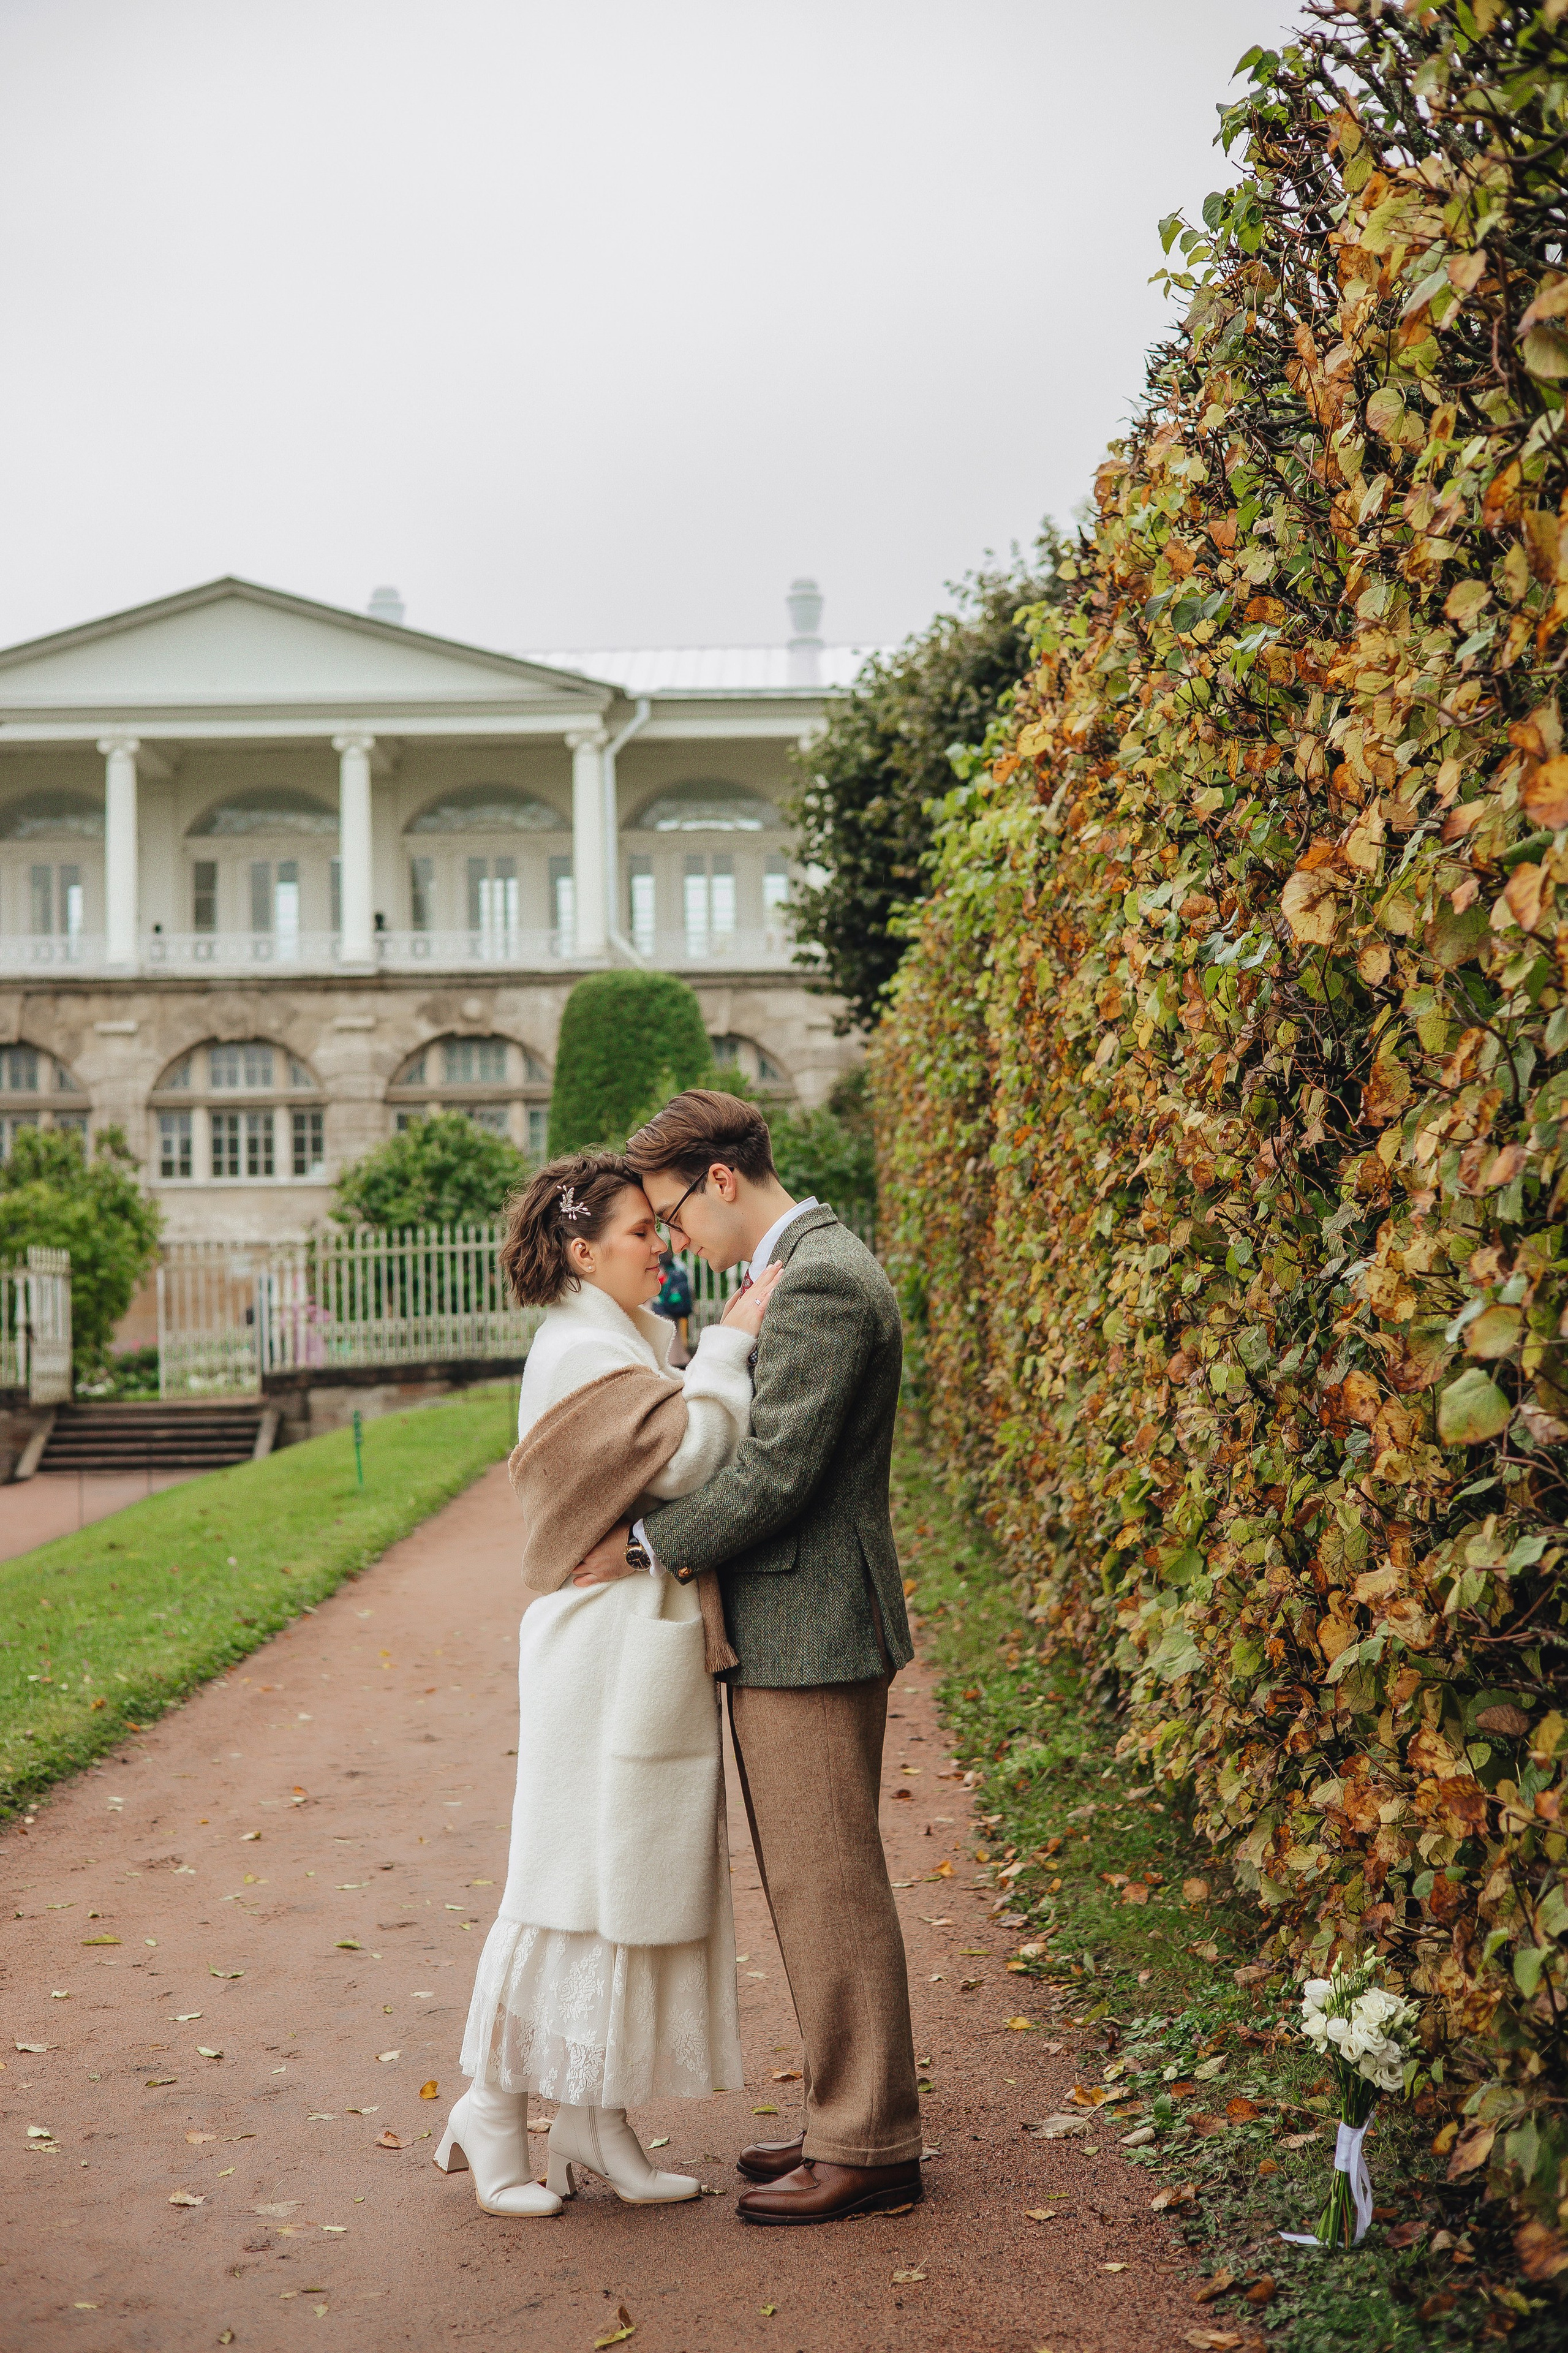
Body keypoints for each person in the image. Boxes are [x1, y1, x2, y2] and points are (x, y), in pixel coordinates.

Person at [571, 1089, 922, 2226]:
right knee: (811, 1882)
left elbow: (777, 1471)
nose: (672, 1237)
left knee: (831, 1884)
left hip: (812, 1622)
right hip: (795, 1617)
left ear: (720, 1179)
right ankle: (842, 2120)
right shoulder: (799, 1269)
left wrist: (642, 1545)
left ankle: (871, 2144)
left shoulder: (821, 1279)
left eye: (673, 1213)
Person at [435, 1147, 780, 2219]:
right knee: (565, 1886)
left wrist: (693, 1351)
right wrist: (729, 1346)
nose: (662, 1246)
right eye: (640, 1232)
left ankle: (593, 2115)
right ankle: (493, 2108)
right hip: (597, 1652)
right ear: (583, 1252)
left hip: (632, 1641)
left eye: (659, 1229)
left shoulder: (619, 1336)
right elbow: (688, 1458)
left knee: (621, 1884)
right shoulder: (583, 1346)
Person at [654, 1248, 693, 1355]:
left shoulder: (662, 1269)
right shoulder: (678, 1266)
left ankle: (674, 1359)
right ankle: (681, 1358)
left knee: (668, 1337)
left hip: (664, 1309)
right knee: (676, 1335)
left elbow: (659, 1284)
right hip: (676, 1307)